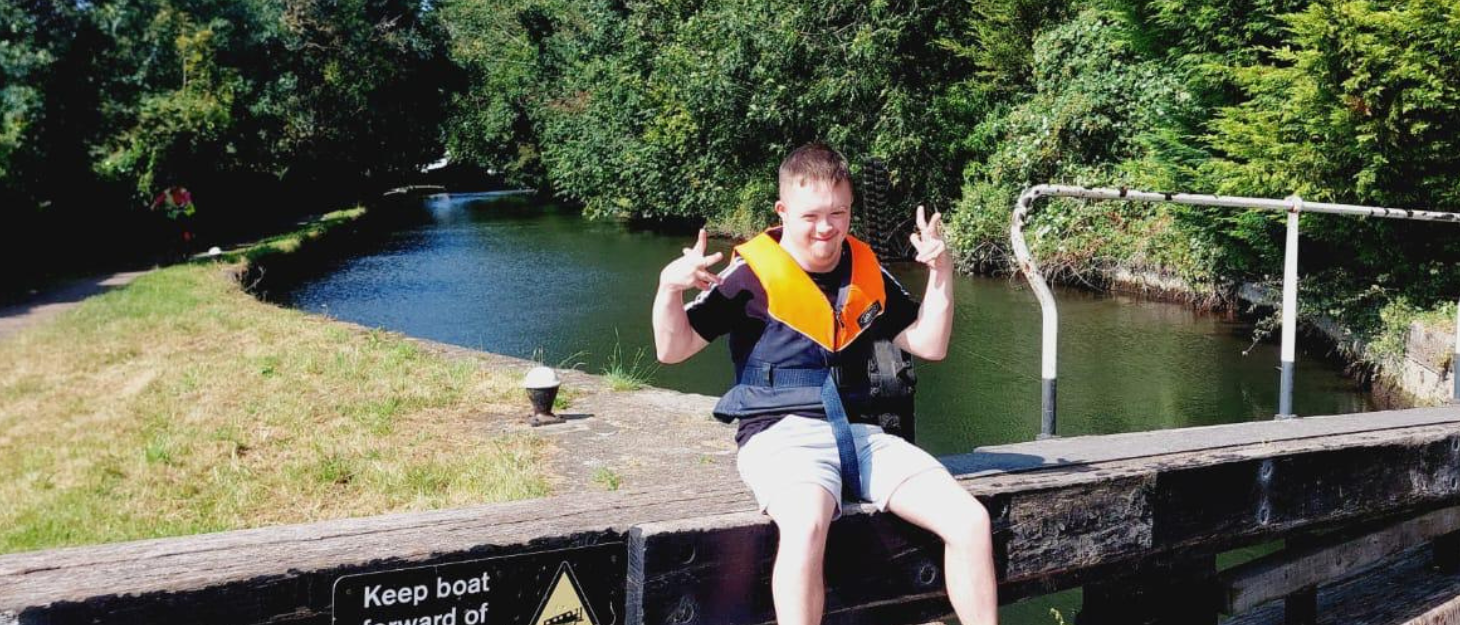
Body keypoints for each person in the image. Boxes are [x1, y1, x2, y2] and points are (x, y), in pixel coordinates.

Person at [651, 143, 997, 624]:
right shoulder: (751, 275)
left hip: (859, 435)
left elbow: (930, 344)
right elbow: (674, 349)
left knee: (970, 521)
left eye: (839, 213)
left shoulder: (864, 268)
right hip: (779, 433)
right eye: (811, 215)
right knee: (807, 524)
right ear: (783, 211)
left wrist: (941, 273)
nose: (827, 228)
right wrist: (670, 289)